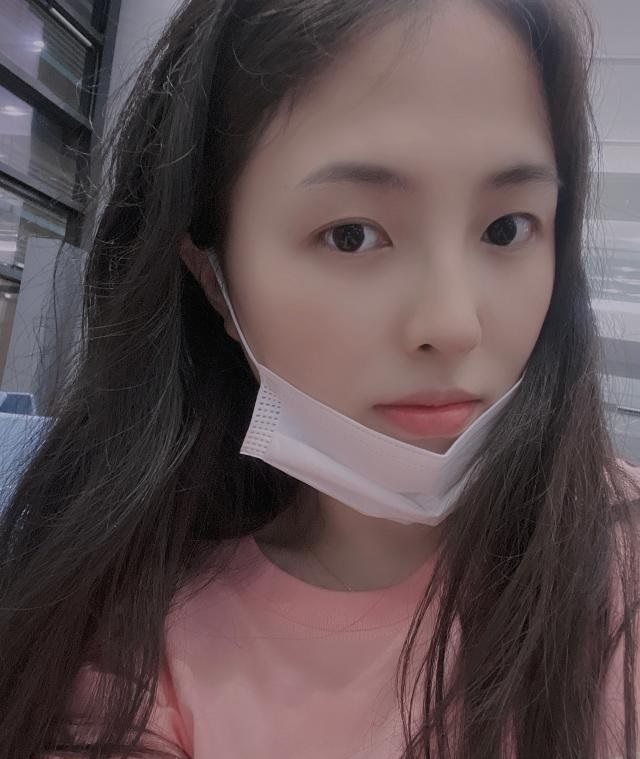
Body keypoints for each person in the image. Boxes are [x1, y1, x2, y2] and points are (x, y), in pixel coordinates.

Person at [1, 0, 639, 756]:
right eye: (351, 235)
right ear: (215, 280)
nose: (453, 323)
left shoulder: (620, 557)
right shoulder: (135, 655)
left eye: (506, 228)